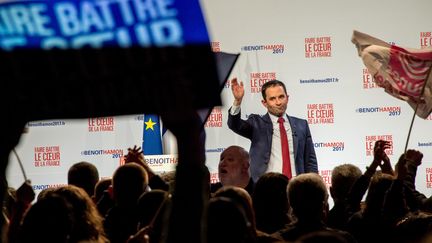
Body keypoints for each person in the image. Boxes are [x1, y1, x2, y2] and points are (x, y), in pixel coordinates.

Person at [228, 77, 318, 181]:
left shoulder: (302, 125)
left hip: (296, 187)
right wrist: (237, 101)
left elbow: (310, 161)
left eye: (281, 97)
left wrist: (313, 184)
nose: (278, 102)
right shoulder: (256, 123)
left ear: (287, 98)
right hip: (266, 186)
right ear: (264, 103)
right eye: (272, 99)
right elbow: (234, 124)